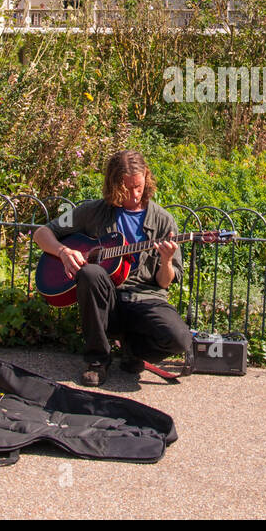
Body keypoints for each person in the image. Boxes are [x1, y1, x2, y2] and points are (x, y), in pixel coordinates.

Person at [33, 149, 193, 386]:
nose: (134, 194)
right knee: (90, 272)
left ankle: (133, 351)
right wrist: (63, 251)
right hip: (108, 300)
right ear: (113, 184)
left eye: (138, 186)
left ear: (146, 179)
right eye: (127, 188)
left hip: (146, 298)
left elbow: (164, 282)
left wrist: (167, 260)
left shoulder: (163, 220)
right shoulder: (93, 211)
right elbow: (42, 233)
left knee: (179, 339)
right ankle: (97, 360)